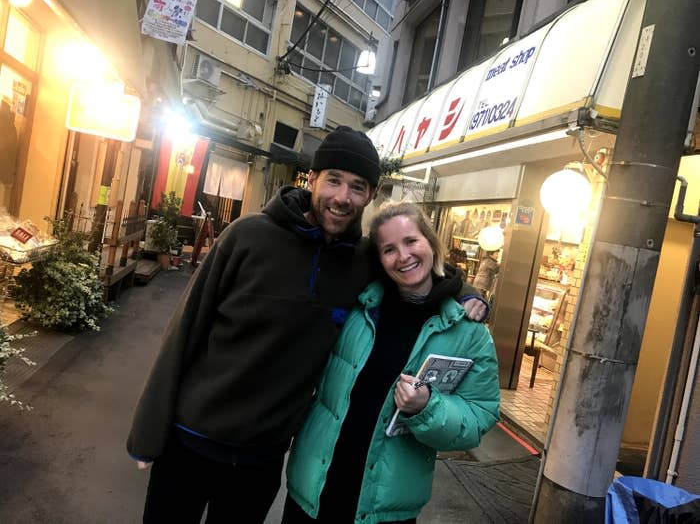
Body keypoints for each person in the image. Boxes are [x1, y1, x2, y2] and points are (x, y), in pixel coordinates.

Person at [126, 127, 488, 524]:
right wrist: (147, 434)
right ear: (311, 179)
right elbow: (183, 332)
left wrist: (466, 292)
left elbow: (415, 266)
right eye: (333, 179)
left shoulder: (362, 261)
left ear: (369, 196)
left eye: (357, 186)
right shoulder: (246, 236)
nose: (342, 197)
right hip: (189, 442)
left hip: (261, 459)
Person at [283, 202, 500, 524]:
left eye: (411, 241)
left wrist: (428, 407)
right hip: (314, 486)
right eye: (388, 249)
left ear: (431, 242)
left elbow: (479, 416)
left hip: (385, 504)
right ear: (378, 260)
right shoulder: (356, 306)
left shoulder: (469, 333)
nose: (403, 256)